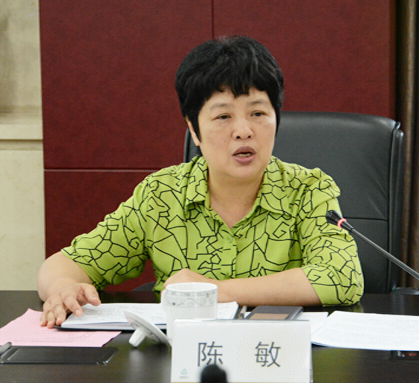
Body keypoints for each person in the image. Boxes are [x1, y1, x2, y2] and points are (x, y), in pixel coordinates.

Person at [38, 36, 364, 328]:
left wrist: (212, 291)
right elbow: (63, 264)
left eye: (258, 113)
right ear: (194, 130)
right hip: (182, 362)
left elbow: (342, 277)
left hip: (281, 358)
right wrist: (63, 288)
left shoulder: (309, 189)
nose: (243, 131)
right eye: (223, 116)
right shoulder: (162, 195)